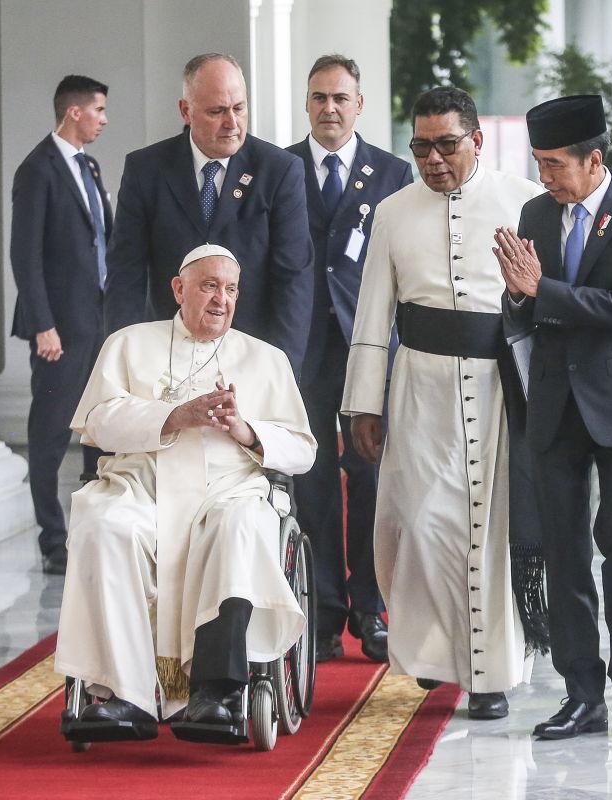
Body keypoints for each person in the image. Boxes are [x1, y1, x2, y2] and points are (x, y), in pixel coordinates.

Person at [341, 86, 545, 722]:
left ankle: (488, 678)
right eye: (420, 146)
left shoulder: (524, 201)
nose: (432, 159)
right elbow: (372, 315)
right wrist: (361, 405)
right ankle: (436, 653)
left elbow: (546, 302)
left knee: (488, 531)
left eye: (446, 145)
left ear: (476, 141)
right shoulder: (394, 211)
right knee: (424, 526)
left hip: (500, 388)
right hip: (419, 387)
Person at [54, 245, 316, 735]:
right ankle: (120, 694)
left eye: (231, 288)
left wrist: (246, 429)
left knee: (239, 525)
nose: (222, 299)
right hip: (141, 486)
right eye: (209, 285)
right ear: (179, 289)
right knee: (105, 524)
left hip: (227, 487)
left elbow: (303, 450)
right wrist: (175, 416)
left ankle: (214, 691)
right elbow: (99, 422)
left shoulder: (266, 358)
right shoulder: (128, 344)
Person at [497, 94, 612, 739]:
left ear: (593, 160)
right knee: (563, 547)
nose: (544, 177)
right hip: (554, 399)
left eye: (552, 164)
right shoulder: (535, 213)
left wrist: (540, 289)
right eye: (538, 163)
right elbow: (525, 310)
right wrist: (516, 296)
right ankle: (583, 692)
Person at [286, 54, 412, 664]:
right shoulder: (280, 168)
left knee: (367, 477)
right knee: (310, 482)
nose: (329, 108)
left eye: (340, 97)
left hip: (369, 346)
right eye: (318, 98)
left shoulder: (392, 172)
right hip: (303, 349)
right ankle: (323, 611)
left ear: (359, 104)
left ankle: (371, 605)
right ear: (306, 104)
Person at [103, 53, 314, 374]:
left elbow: (293, 280)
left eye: (239, 108)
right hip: (165, 357)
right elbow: (125, 275)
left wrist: (282, 371)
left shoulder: (279, 170)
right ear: (186, 111)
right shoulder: (146, 169)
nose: (232, 123)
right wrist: (125, 363)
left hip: (252, 356)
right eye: (217, 111)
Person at [9, 75, 113, 575]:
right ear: (73, 112)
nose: (103, 119)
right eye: (98, 110)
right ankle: (53, 540)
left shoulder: (88, 166)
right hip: (59, 329)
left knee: (98, 430)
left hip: (97, 323)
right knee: (50, 434)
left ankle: (95, 531)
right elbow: (24, 256)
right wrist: (42, 325)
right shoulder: (37, 169)